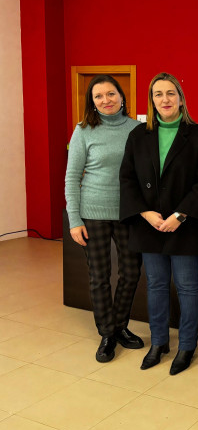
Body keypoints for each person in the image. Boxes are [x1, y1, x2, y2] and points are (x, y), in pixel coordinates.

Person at [119, 72, 198, 375]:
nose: (165, 99)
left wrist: (180, 215)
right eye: (158, 94)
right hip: (149, 224)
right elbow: (127, 179)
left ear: (180, 97)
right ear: (151, 99)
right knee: (157, 286)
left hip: (185, 225)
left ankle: (187, 345)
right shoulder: (138, 135)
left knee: (187, 287)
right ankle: (159, 343)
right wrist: (146, 214)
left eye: (170, 93)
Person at [65, 74, 143, 363]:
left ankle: (119, 326)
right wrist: (74, 219)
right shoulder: (83, 130)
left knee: (131, 272)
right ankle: (107, 333)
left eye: (111, 94)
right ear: (92, 102)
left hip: (128, 213)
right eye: (98, 96)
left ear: (121, 96)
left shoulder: (138, 129)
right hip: (92, 213)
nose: (106, 100)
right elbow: (72, 177)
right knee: (99, 277)